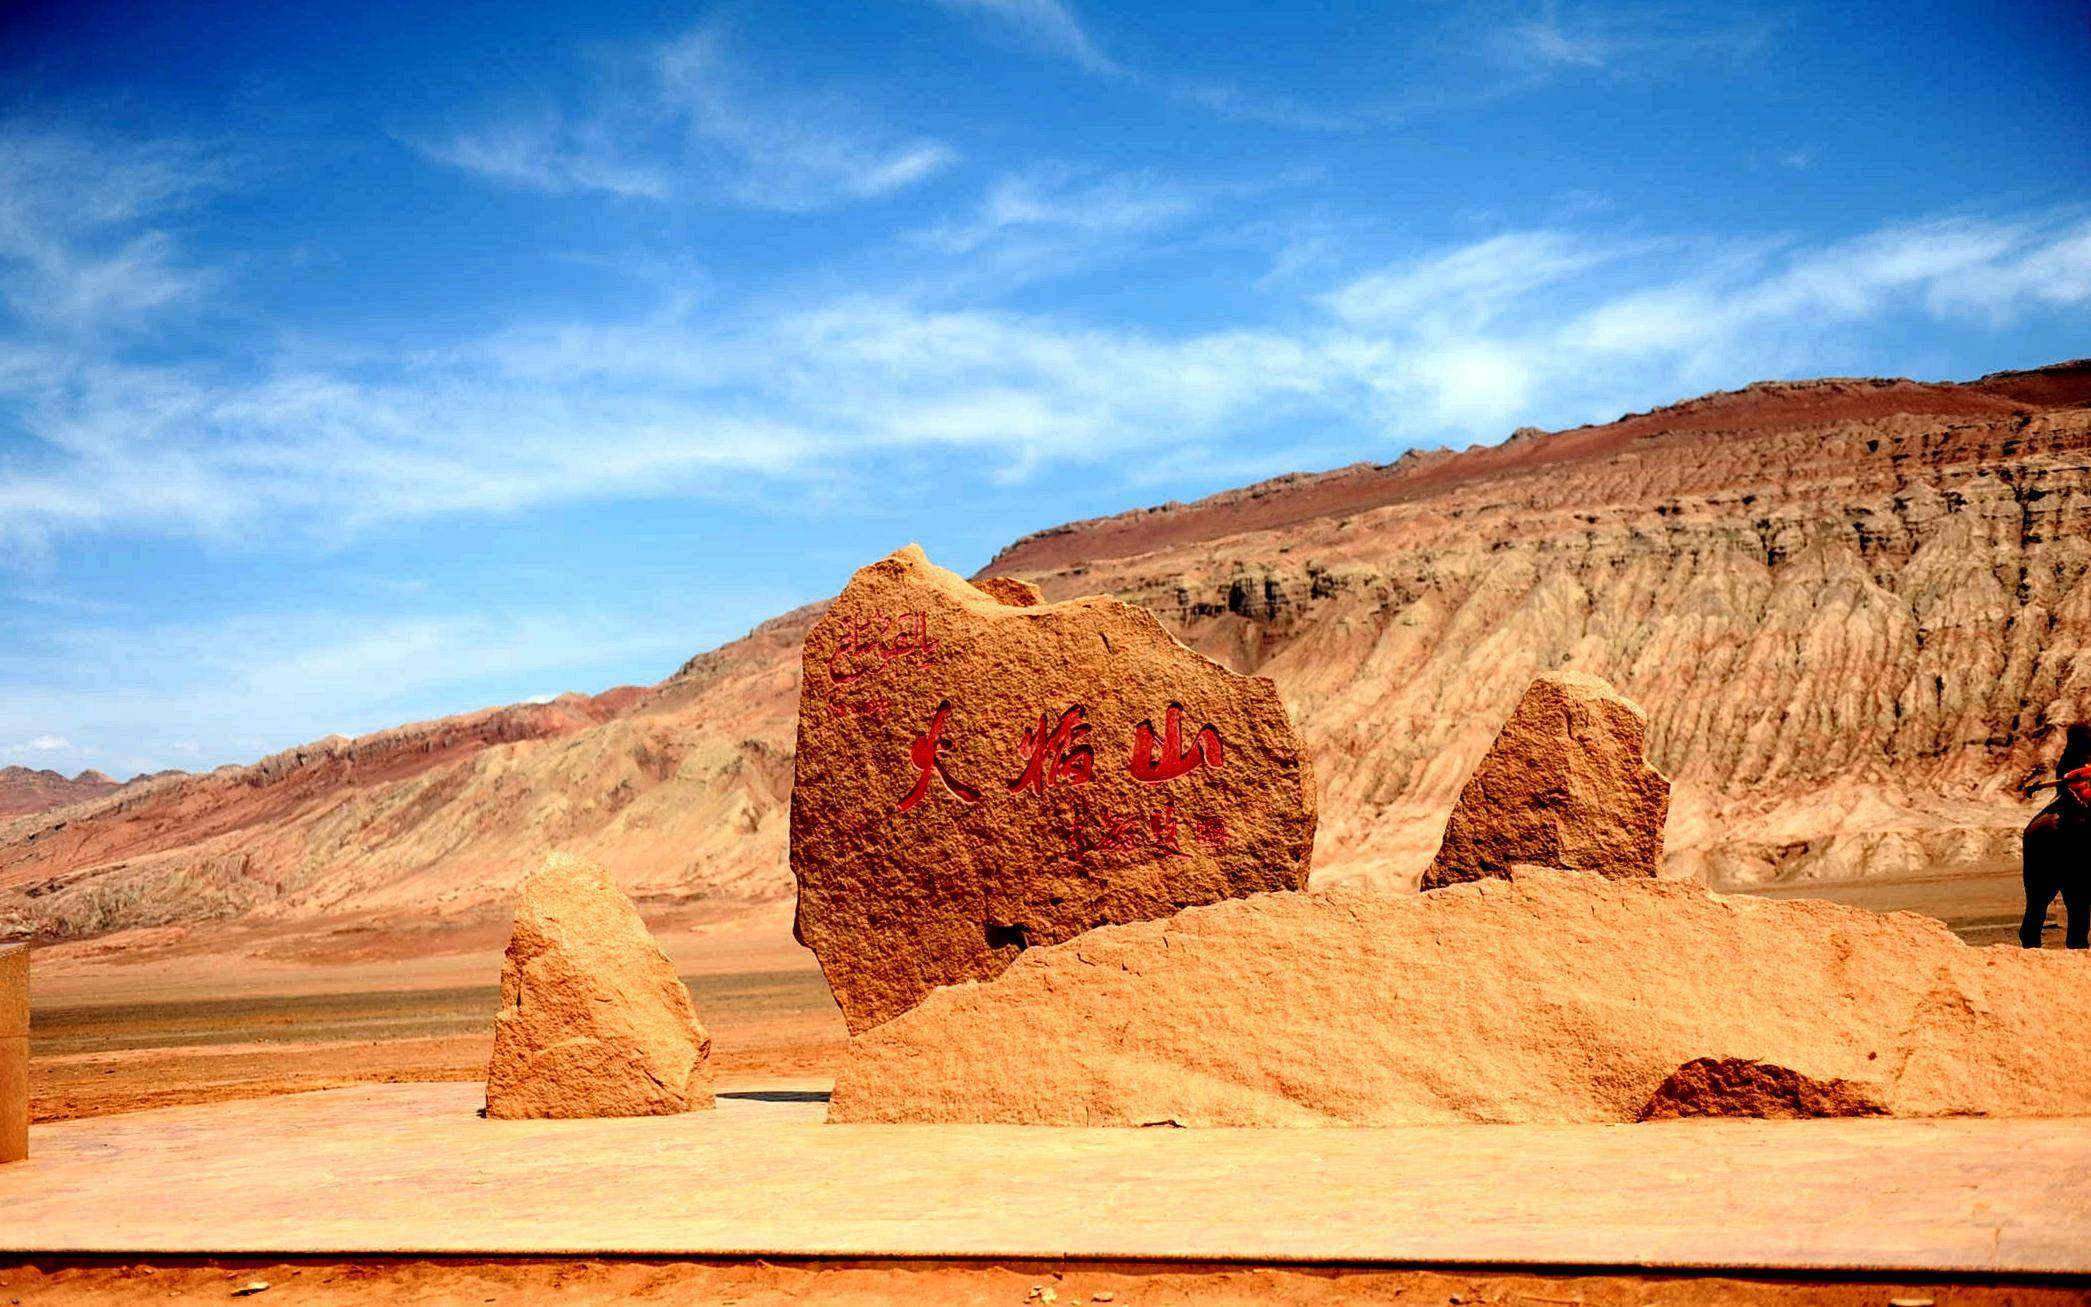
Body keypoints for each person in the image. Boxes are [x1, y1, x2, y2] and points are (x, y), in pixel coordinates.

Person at [2021, 723, 2091, 949]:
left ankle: (2030, 946)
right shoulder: (2075, 762)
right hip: (2075, 809)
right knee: (2079, 901)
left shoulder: (2067, 759)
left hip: (2066, 804)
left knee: (2036, 903)